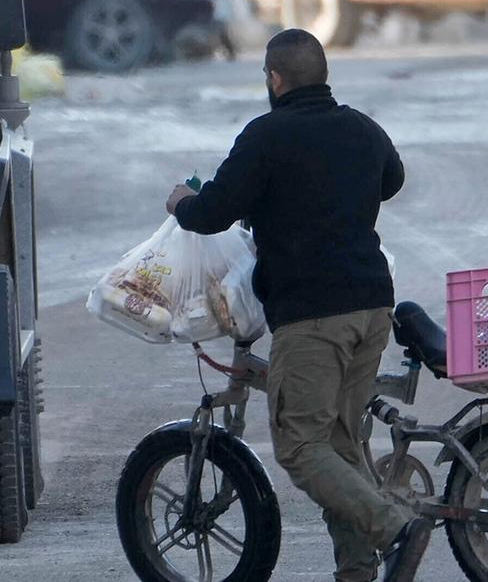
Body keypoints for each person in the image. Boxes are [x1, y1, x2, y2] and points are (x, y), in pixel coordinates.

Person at [169, 29, 426, 582]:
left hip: (313, 316)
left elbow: (214, 211)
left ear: (274, 79)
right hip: (372, 307)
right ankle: (357, 571)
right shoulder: (361, 127)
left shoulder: (266, 136)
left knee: (301, 447)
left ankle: (395, 526)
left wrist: (182, 203)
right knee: (341, 442)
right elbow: (393, 180)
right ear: (323, 75)